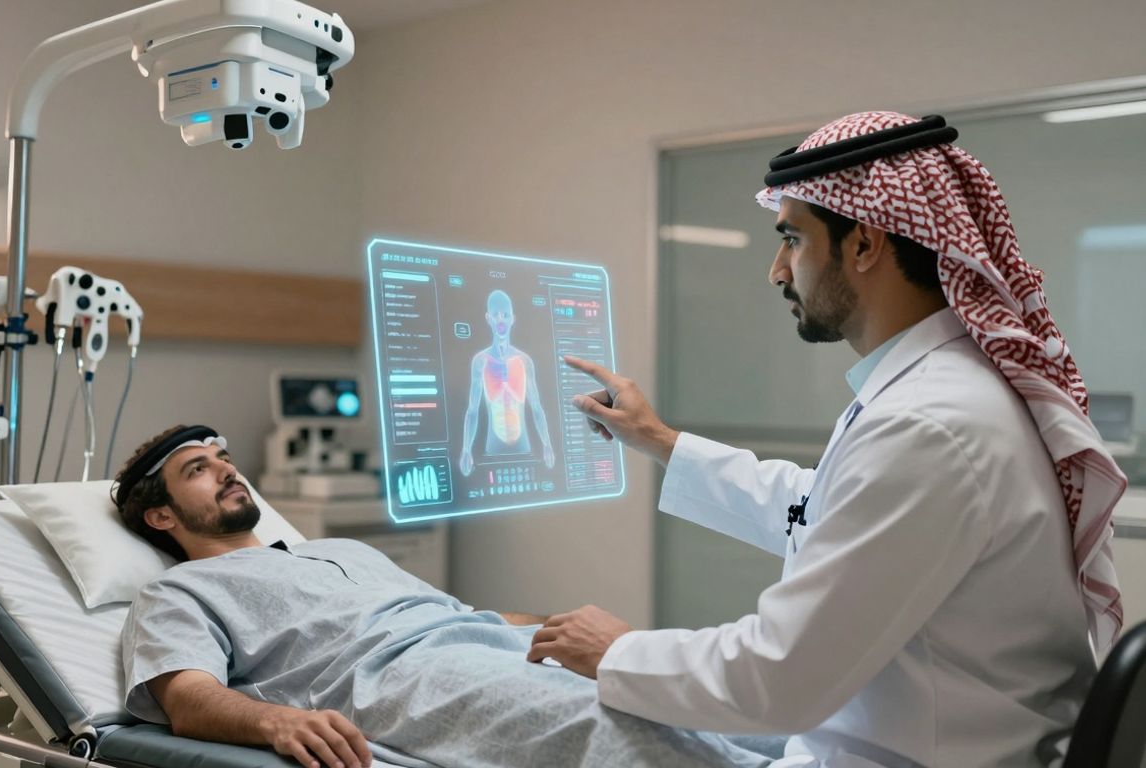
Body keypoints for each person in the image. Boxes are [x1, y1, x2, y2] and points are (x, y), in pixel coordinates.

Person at [529, 112, 1127, 768]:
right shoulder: (944, 392)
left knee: (545, 710)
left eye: (792, 239)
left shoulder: (929, 425)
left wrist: (618, 650)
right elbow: (825, 510)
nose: (777, 271)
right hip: (917, 736)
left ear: (864, 244)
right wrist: (660, 440)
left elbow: (779, 679)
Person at [114, 424, 772, 768]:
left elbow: (455, 615)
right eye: (196, 470)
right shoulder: (179, 591)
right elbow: (188, 698)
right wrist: (275, 722)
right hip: (410, 681)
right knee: (608, 731)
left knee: (691, 689)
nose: (226, 468)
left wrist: (557, 625)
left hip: (492, 647)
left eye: (223, 457)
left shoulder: (337, 549)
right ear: (161, 517)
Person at [459, 289, 556, 476]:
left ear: (513, 319)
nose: (501, 320)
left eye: (506, 315)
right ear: (488, 318)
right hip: (493, 447)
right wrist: (465, 449)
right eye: (496, 315)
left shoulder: (525, 361)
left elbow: (536, 407)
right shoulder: (480, 361)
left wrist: (547, 444)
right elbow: (472, 410)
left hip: (523, 446)